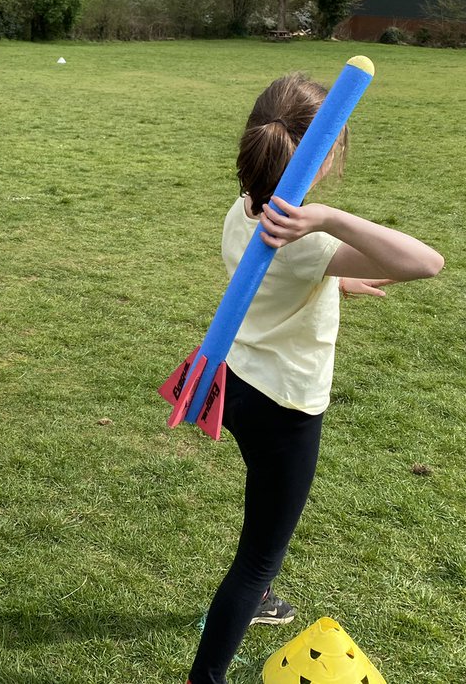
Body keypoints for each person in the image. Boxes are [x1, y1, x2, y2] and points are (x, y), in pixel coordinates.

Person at [185, 73, 444, 684]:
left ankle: (262, 600)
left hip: (239, 381)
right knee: (257, 557)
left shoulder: (245, 207)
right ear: (323, 155)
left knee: (262, 518)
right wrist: (329, 218)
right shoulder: (306, 237)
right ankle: (207, 677)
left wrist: (336, 277)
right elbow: (426, 263)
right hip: (284, 405)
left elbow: (273, 279)